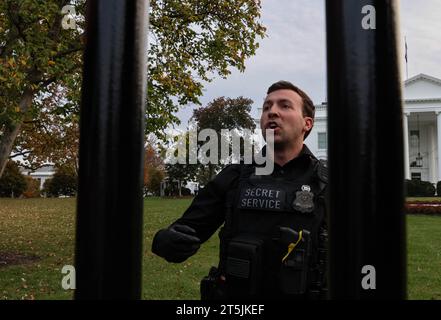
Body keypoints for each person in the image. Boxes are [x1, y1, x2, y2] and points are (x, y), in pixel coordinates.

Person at [152, 80, 328, 300]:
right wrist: (167, 240)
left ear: (307, 123)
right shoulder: (235, 176)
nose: (272, 112)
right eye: (267, 107)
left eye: (284, 106)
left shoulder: (327, 183)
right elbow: (187, 229)